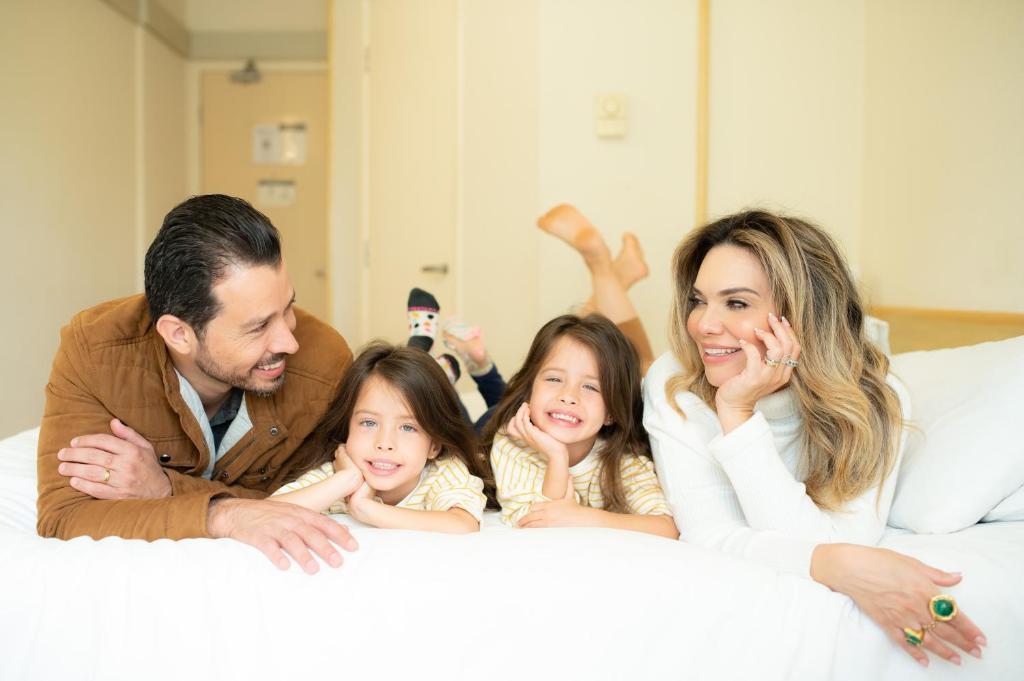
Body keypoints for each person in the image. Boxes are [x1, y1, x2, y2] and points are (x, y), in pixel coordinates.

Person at [643, 210, 986, 666]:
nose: (704, 324)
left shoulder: (876, 400)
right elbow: (708, 534)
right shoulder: (674, 380)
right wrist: (736, 409)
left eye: (737, 303)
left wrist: (741, 416)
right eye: (699, 300)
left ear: (804, 314)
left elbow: (842, 536)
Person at [36, 194, 358, 575]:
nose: (289, 341)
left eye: (287, 307)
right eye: (258, 327)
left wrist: (167, 490)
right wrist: (222, 515)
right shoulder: (95, 350)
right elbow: (65, 515)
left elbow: (311, 497)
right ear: (179, 334)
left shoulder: (325, 365)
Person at [482, 314, 678, 539]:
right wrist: (557, 457)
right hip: (495, 423)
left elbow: (666, 527)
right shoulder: (512, 445)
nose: (568, 396)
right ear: (530, 390)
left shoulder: (622, 461)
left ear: (611, 413)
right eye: (554, 379)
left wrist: (582, 516)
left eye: (590, 387)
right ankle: (479, 367)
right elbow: (537, 525)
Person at [270, 343, 492, 533]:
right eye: (369, 423)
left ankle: (440, 366)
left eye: (407, 427)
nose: (384, 443)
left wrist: (365, 508)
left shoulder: (442, 471)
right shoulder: (338, 473)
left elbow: (463, 524)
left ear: (434, 446)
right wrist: (345, 481)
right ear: (347, 428)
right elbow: (266, 512)